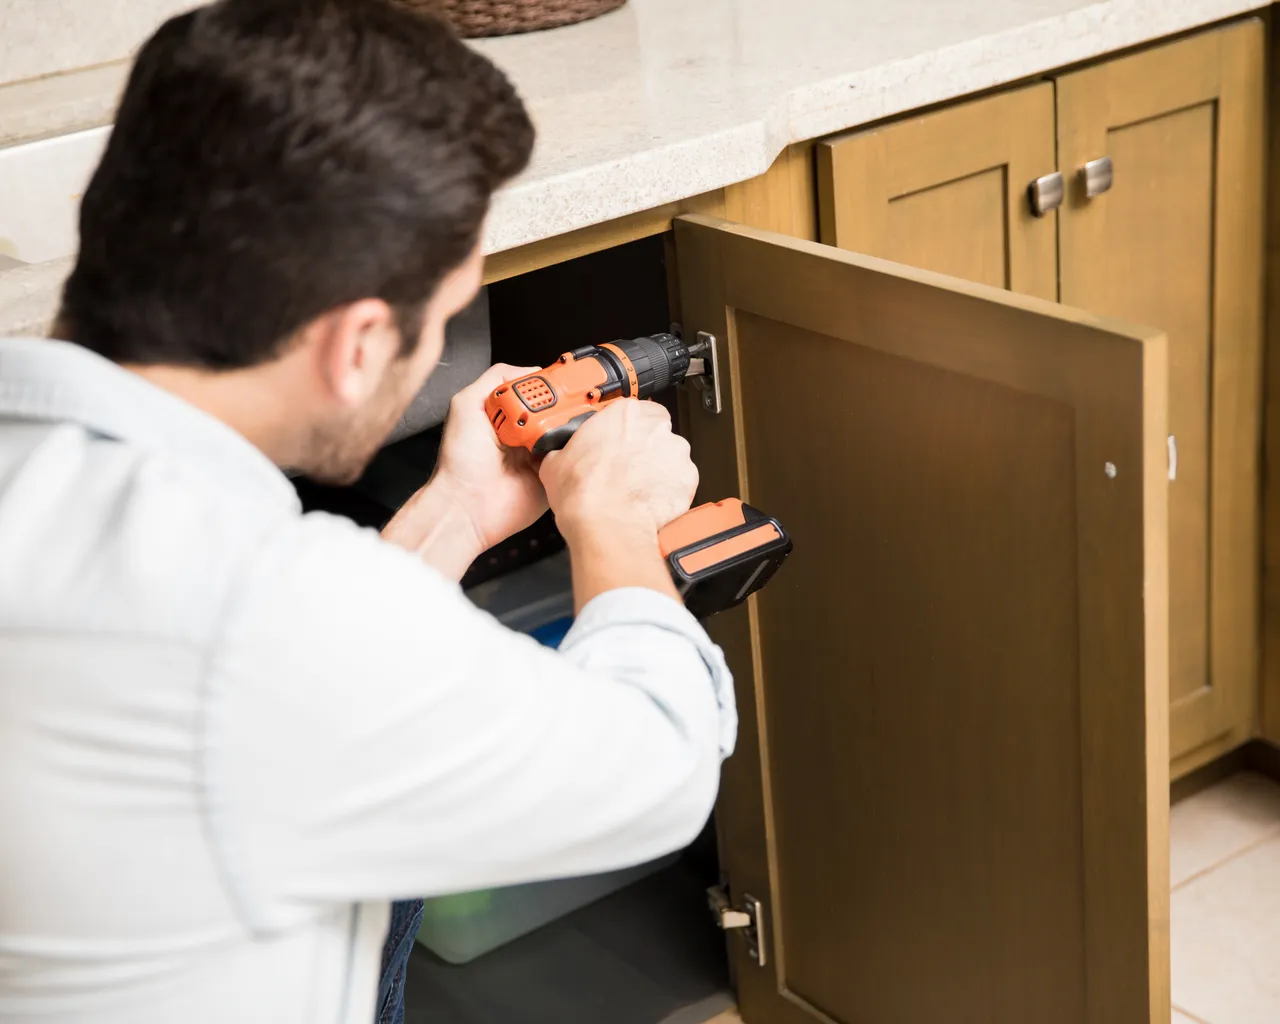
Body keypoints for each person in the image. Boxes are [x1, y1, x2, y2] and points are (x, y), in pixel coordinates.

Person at [0, 2, 736, 1022]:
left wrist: (455, 513)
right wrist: (612, 525)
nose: (433, 352)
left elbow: (299, 672)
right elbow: (656, 765)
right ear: (354, 346)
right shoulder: (258, 613)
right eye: (437, 326)